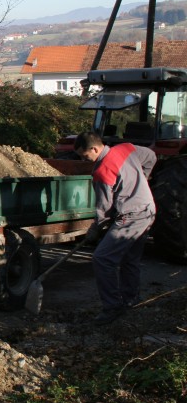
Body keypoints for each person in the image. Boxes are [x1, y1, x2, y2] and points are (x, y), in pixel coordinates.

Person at [74, 131, 157, 325]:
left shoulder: (102, 171)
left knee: (102, 259)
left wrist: (95, 229)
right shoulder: (126, 149)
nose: (84, 160)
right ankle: (130, 301)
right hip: (148, 210)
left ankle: (112, 307)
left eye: (85, 156)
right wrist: (142, 179)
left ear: (94, 149)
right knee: (130, 259)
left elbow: (104, 210)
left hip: (132, 217)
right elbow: (151, 157)